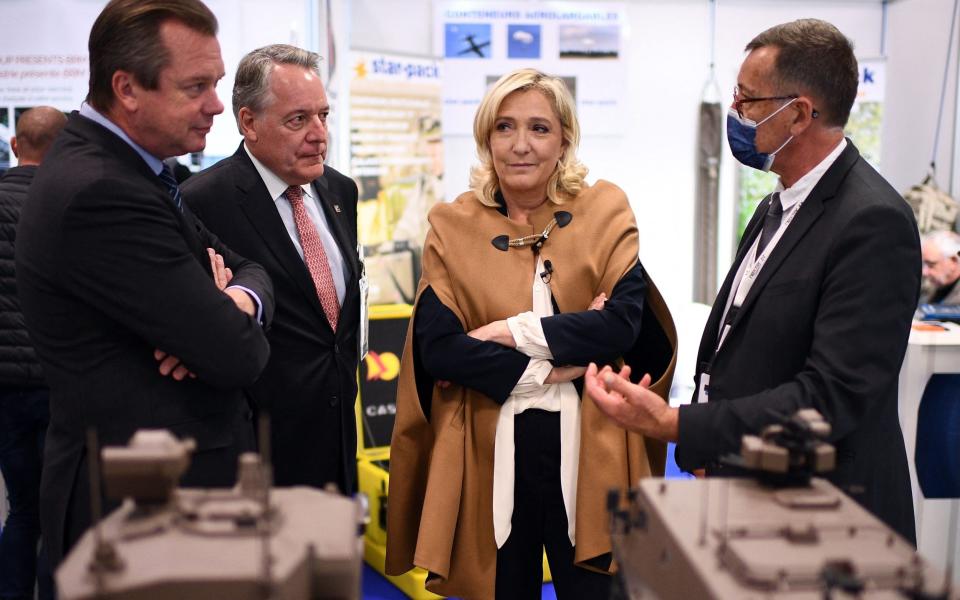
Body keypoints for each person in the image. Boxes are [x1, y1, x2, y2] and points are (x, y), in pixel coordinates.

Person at [586, 18, 920, 545]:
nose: (735, 113)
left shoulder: (872, 221)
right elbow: (738, 344)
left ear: (801, 114)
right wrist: (706, 456)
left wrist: (676, 426)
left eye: (747, 99)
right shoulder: (774, 205)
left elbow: (828, 398)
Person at [386, 68, 676, 599]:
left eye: (539, 128)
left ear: (564, 137)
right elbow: (440, 349)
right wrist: (553, 364)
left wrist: (508, 331)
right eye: (504, 127)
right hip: (489, 448)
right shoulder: (452, 226)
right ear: (485, 138)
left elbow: (623, 324)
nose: (521, 145)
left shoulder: (606, 212)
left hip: (593, 446)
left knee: (595, 591)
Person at [15, 0, 275, 567]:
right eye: (195, 87)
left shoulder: (141, 171)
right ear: (127, 88)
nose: (215, 107)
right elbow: (237, 355)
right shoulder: (103, 191)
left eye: (218, 83)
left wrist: (232, 298)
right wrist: (218, 327)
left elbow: (250, 267)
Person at [183, 44, 361, 493]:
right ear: (249, 122)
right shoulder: (204, 200)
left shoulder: (339, 190)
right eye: (298, 120)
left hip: (337, 438)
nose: (319, 135)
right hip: (255, 451)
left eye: (323, 115)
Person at [0, 106, 65, 600]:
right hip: (57, 385)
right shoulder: (69, 205)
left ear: (15, 145)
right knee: (59, 511)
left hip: (5, 388)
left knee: (21, 508)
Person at [920, 231, 960, 304]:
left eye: (931, 265)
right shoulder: (937, 287)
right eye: (924, 264)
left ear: (953, 261)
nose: (924, 272)